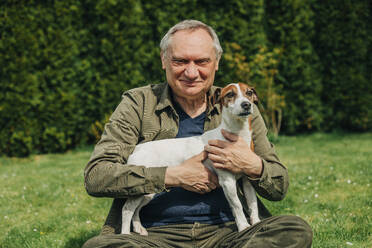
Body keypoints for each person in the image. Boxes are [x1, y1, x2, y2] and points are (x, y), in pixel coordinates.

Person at [83, 19, 313, 248]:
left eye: (202, 61)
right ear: (164, 60)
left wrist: (252, 165)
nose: (191, 72)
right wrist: (173, 176)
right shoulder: (138, 103)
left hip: (229, 232)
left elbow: (279, 186)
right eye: (180, 61)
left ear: (217, 62)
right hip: (154, 236)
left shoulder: (240, 108)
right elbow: (96, 177)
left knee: (294, 230)